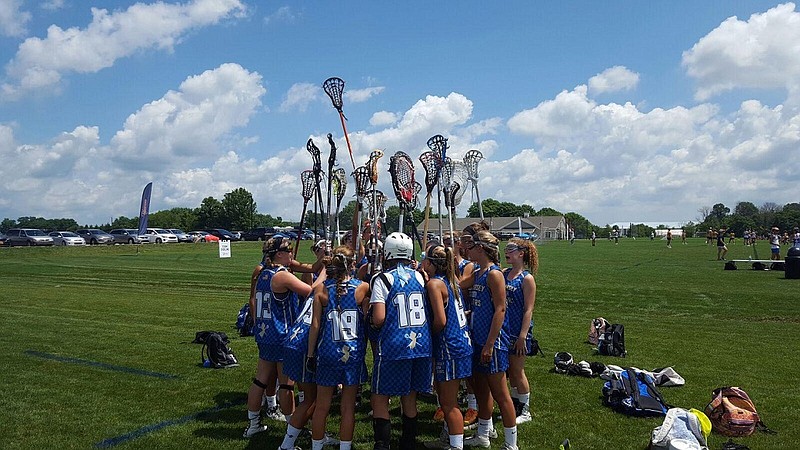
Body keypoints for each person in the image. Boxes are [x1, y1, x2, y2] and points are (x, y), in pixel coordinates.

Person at [244, 236, 323, 438]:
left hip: (265, 333)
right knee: (286, 384)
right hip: (281, 335)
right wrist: (324, 273)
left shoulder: (262, 272)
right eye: (288, 251)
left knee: (260, 380)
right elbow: (312, 292)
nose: (291, 254)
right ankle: (293, 427)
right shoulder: (281, 276)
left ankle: (253, 424)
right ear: (279, 254)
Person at [369, 232, 432, 450]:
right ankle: (408, 442)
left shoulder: (382, 279)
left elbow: (379, 319)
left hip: (394, 344)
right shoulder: (419, 276)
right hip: (421, 344)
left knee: (379, 396)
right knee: (410, 395)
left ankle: (383, 444)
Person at [306, 246, 370, 450]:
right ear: (352, 264)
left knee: (322, 405)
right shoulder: (362, 288)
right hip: (352, 353)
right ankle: (345, 446)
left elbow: (315, 325)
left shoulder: (322, 289)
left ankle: (316, 446)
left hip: (327, 352)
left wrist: (310, 354)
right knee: (348, 406)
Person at [460, 231, 519, 450]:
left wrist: (490, 343)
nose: (469, 250)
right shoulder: (478, 271)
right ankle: (483, 433)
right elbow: (458, 285)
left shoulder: (494, 274)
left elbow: (500, 309)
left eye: (472, 246)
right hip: (477, 339)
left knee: (501, 394)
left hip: (491, 342)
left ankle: (511, 444)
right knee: (481, 388)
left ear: (482, 249)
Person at [422, 244, 473, 450]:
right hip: (459, 343)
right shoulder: (450, 280)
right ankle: (448, 437)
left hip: (449, 347)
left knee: (449, 403)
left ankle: (456, 445)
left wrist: (429, 334)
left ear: (431, 263)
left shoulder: (435, 284)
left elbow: (440, 321)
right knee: (446, 400)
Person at [503, 238, 537, 425]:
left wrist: (523, 336)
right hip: (505, 330)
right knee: (509, 371)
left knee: (517, 371)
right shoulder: (504, 273)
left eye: (510, 249)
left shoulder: (527, 278)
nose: (506, 252)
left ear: (521, 253)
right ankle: (516, 406)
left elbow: (528, 310)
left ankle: (525, 409)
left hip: (518, 331)